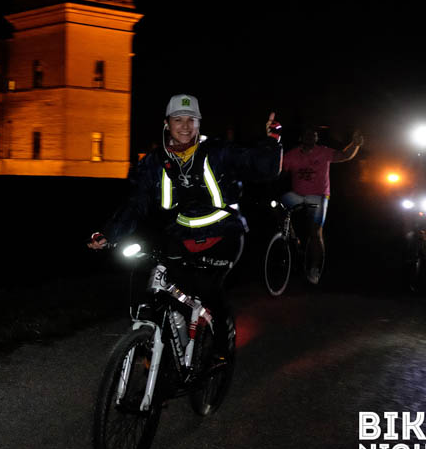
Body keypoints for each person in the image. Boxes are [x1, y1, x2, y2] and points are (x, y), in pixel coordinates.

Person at [89, 94, 283, 356]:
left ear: (199, 123)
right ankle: (169, 351)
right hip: (181, 234)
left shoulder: (218, 151)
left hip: (224, 234)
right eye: (178, 119)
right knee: (159, 285)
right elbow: (136, 202)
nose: (185, 126)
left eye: (191, 120)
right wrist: (109, 234)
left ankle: (222, 346)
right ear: (167, 123)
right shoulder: (155, 162)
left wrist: (272, 139)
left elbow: (263, 168)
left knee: (206, 288)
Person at [280, 125, 364, 283]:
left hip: (319, 196)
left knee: (315, 232)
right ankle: (291, 236)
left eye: (314, 135)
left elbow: (344, 155)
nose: (310, 137)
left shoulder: (324, 152)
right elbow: (280, 170)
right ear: (301, 138)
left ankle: (314, 269)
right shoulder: (292, 154)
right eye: (307, 134)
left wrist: (355, 144)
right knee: (278, 206)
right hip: (298, 195)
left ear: (317, 138)